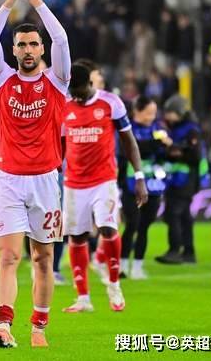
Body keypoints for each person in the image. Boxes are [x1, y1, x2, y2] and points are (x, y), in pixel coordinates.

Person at [0, 0, 71, 348]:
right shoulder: (1, 79)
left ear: (42, 49)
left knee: (43, 258)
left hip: (45, 181)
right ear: (14, 50)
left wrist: (37, 2)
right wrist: (9, 1)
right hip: (8, 180)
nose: (29, 50)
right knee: (8, 257)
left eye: (34, 44)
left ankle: (39, 327)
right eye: (21, 45)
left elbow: (61, 38)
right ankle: (4, 325)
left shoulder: (57, 81)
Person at [61, 62, 147, 314]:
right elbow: (60, 145)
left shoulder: (111, 103)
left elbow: (129, 140)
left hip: (104, 180)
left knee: (108, 229)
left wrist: (139, 176)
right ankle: (83, 298)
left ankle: (114, 285)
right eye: (72, 92)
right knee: (77, 237)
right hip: (74, 183)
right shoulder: (65, 106)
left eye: (79, 91)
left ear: (90, 83)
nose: (76, 97)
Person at [119, 96, 167, 280]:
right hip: (131, 183)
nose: (151, 117)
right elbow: (135, 149)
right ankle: (122, 265)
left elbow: (163, 152)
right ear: (137, 111)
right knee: (132, 223)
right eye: (148, 113)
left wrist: (165, 146)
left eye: (154, 113)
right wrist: (158, 144)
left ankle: (138, 266)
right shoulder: (128, 128)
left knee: (145, 226)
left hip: (153, 184)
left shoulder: (157, 128)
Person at [155, 95, 205, 264]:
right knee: (184, 216)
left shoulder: (190, 130)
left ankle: (174, 250)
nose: (167, 116)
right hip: (176, 179)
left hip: (185, 180)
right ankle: (189, 252)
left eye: (170, 112)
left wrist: (173, 147)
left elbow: (195, 156)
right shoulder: (175, 129)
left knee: (173, 214)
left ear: (180, 112)